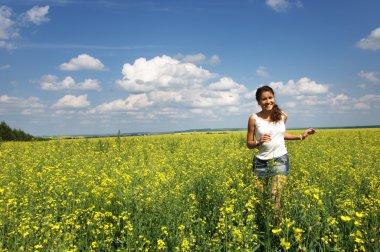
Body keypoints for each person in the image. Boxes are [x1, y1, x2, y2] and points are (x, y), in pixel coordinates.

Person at [246, 85, 316, 219]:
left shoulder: (282, 116)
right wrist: (258, 142)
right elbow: (249, 143)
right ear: (258, 102)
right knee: (262, 197)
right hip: (260, 162)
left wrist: (301, 136)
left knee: (274, 197)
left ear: (274, 97)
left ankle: (279, 231)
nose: (268, 101)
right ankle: (266, 224)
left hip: (280, 160)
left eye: (270, 98)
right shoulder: (253, 118)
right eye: (264, 99)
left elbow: (281, 134)